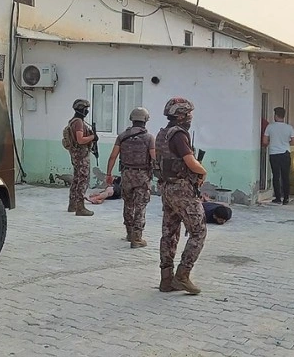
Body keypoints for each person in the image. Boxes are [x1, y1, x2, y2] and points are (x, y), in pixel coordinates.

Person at [155, 97, 207, 294]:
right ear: (180, 115)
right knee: (198, 231)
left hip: (166, 188)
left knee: (169, 233)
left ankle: (166, 279)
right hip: (181, 190)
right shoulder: (178, 135)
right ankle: (183, 275)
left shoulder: (163, 134)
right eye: (188, 114)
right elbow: (190, 162)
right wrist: (203, 172)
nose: (190, 117)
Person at [105, 107, 156, 248]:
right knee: (140, 206)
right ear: (145, 120)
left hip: (126, 175)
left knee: (128, 204)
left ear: (132, 119)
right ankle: (137, 238)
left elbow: (113, 156)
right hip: (142, 176)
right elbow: (154, 158)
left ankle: (129, 233)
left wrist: (108, 174)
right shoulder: (149, 138)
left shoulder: (122, 136)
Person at [65, 99, 98, 216]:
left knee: (76, 179)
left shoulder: (73, 121)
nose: (87, 111)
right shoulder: (78, 122)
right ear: (81, 109)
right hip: (81, 154)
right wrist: (93, 137)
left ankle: (72, 205)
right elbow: (80, 140)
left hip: (76, 154)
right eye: (85, 109)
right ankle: (80, 207)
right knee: (83, 180)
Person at [262, 107, 294, 204]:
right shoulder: (289, 127)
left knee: (276, 176)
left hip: (274, 154)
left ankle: (277, 198)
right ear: (283, 116)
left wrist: (272, 142)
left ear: (276, 116)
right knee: (285, 176)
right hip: (285, 153)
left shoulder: (270, 127)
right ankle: (286, 198)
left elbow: (265, 141)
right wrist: (285, 143)